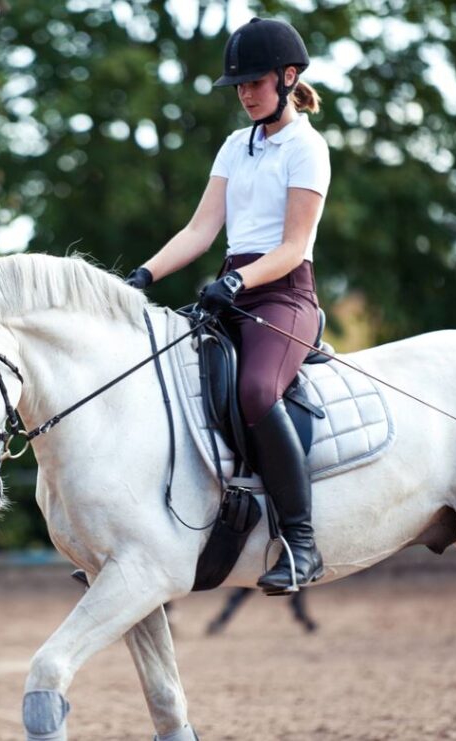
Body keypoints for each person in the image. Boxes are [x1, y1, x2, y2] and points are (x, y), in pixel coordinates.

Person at [125, 17, 330, 595]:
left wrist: (238, 285)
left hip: (285, 295)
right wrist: (143, 274)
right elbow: (199, 231)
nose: (244, 93)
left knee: (256, 391)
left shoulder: (307, 147)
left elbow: (292, 247)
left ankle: (302, 541)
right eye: (238, 85)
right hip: (231, 291)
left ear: (288, 78)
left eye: (254, 82)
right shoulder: (234, 147)